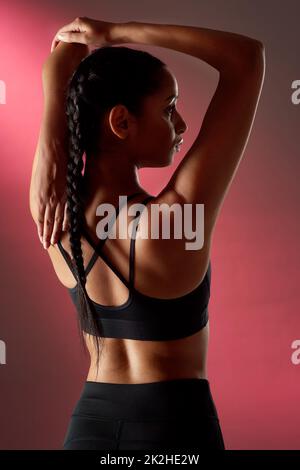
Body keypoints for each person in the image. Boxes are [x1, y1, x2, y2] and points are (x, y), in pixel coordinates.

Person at [29, 17, 265, 450]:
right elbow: (246, 60)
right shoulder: (174, 219)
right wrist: (115, 33)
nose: (182, 124)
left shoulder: (50, 208)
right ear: (121, 121)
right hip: (175, 431)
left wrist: (49, 140)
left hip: (88, 430)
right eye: (168, 107)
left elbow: (64, 51)